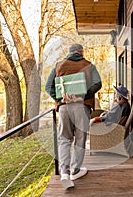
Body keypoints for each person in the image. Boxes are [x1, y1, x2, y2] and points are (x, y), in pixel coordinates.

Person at [45, 44, 102, 188]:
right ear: (81, 52)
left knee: (64, 139)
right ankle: (75, 170)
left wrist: (59, 99)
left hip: (64, 108)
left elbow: (48, 86)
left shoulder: (58, 65)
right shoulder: (89, 65)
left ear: (69, 53)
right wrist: (83, 96)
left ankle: (64, 172)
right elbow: (98, 83)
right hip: (81, 107)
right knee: (80, 139)